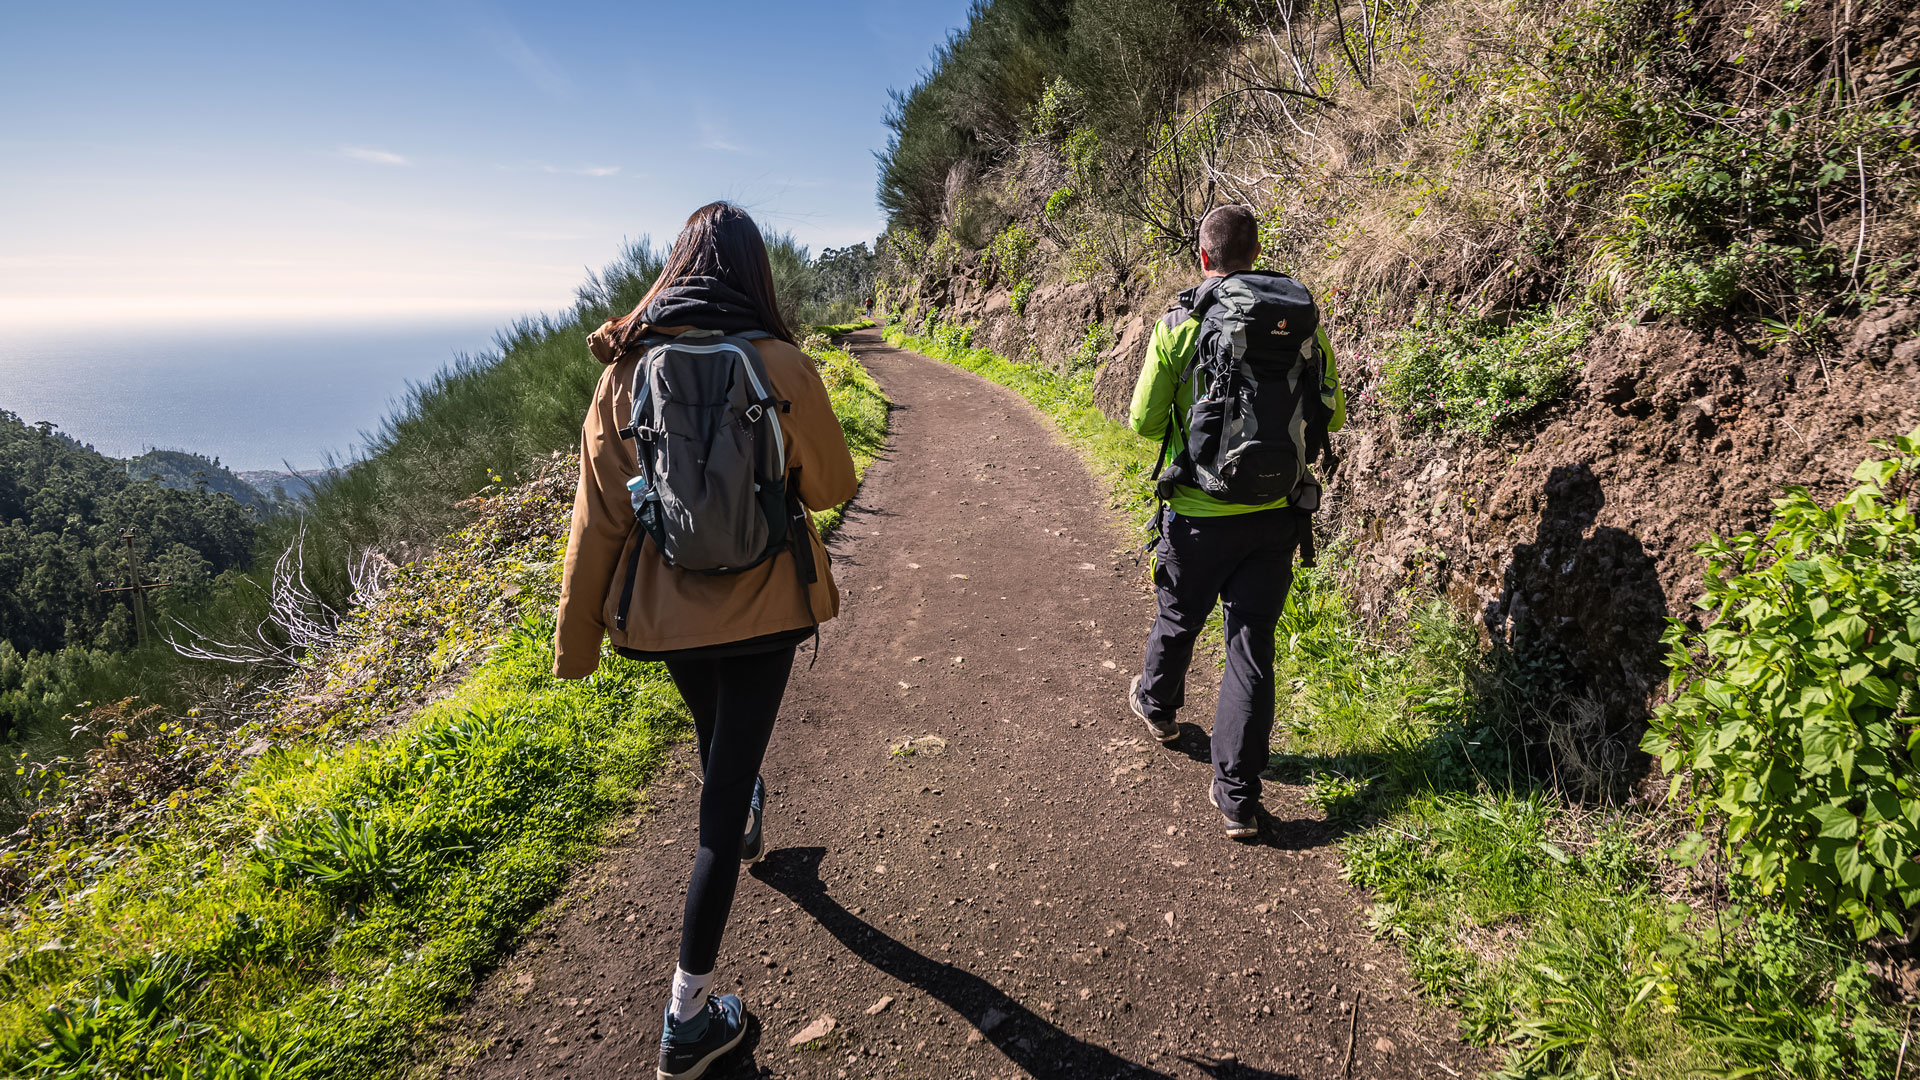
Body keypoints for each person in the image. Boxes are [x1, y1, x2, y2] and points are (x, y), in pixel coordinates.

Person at [553, 201, 858, 1079]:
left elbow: (598, 522)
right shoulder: (781, 363)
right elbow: (832, 486)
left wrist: (576, 642)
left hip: (670, 616)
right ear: (755, 274)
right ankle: (687, 1022)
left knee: (717, 739)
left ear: (675, 268)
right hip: (766, 607)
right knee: (717, 811)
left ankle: (745, 804)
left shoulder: (624, 375)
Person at [1125, 205, 1345, 840]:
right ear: (1256, 253)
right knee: (1251, 647)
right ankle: (1239, 799)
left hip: (1195, 514)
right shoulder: (1301, 323)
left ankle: (1160, 706)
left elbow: (1143, 421)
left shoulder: (1182, 324)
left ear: (1204, 258)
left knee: (1178, 614)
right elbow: (1332, 410)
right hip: (1278, 515)